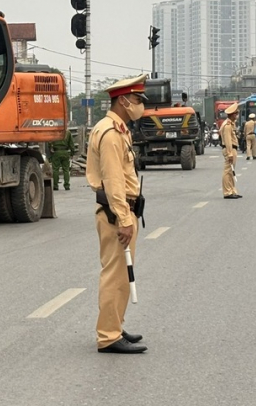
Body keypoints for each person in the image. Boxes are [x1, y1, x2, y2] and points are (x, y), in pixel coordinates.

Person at [85, 73, 148, 354]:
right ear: (123, 101)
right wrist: (124, 219)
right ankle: (108, 336)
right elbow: (113, 181)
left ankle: (115, 326)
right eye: (136, 99)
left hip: (121, 210)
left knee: (122, 275)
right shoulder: (110, 133)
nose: (140, 105)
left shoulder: (118, 129)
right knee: (115, 274)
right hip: (115, 213)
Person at [221, 102, 242, 199]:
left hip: (233, 149)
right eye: (236, 113)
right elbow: (228, 141)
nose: (237, 115)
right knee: (228, 171)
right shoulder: (227, 125)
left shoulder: (231, 124)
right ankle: (227, 192)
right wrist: (229, 153)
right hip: (230, 149)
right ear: (233, 114)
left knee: (231, 171)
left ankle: (232, 190)